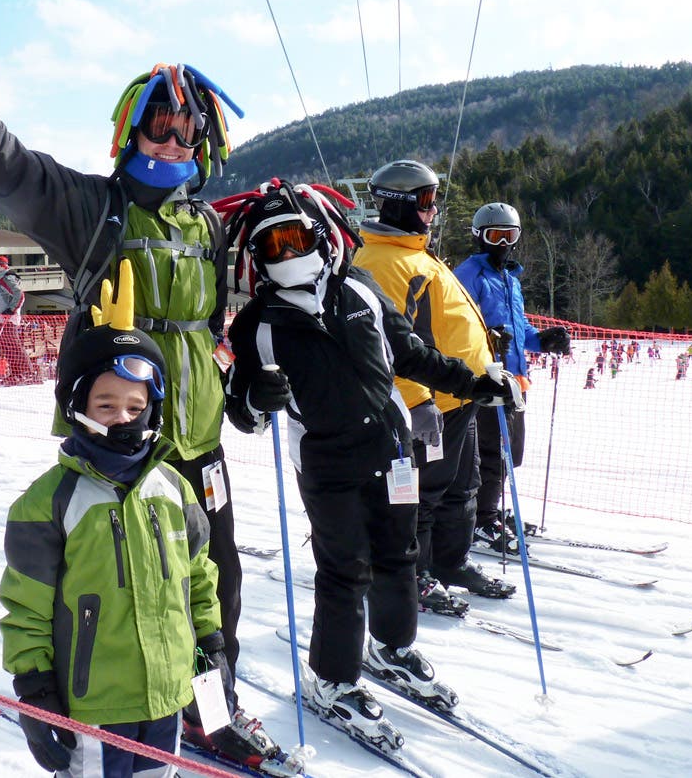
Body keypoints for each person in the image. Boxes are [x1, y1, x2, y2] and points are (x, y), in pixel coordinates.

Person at [0, 0, 273, 760]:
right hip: (118, 446)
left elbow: (216, 332)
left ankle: (205, 706)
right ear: (131, 130)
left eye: (187, 126)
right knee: (108, 591)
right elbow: (6, 169)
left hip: (197, 447)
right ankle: (84, 704)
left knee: (214, 585)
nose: (173, 136)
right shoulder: (91, 209)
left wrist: (249, 386)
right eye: (158, 123)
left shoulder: (210, 229)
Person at [216, 180, 512, 743]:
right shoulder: (258, 324)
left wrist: (474, 383)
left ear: (319, 234)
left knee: (400, 555)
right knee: (345, 568)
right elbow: (242, 413)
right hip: (327, 464)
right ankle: (332, 678)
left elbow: (411, 354)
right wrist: (258, 400)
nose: (286, 253)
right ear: (256, 256)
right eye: (270, 244)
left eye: (294, 237)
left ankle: (393, 647)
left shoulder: (359, 287)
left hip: (393, 448)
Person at [0, 263, 229, 778]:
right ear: (77, 406)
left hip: (167, 696)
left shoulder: (174, 488)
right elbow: (25, 606)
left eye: (135, 405)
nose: (123, 417)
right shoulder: (50, 503)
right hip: (94, 704)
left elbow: (198, 577)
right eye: (106, 405)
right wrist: (35, 686)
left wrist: (211, 645)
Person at [351, 160, 516, 613]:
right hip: (428, 405)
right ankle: (416, 573)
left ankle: (450, 561)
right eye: (426, 200)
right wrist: (417, 402)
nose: (434, 209)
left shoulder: (415, 253)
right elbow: (390, 343)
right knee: (421, 496)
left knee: (462, 486)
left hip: (459, 396)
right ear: (401, 204)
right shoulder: (382, 262)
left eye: (433, 199)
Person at [453, 202, 571, 555]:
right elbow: (459, 327)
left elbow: (516, 329)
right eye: (495, 235)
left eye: (510, 235)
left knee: (510, 454)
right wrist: (489, 341)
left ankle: (487, 506)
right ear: (479, 237)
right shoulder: (468, 276)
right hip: (487, 376)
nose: (503, 243)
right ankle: (481, 517)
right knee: (491, 451)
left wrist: (541, 339)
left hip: (516, 378)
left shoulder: (509, 279)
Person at [0, 254, 37, 386]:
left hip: (7, 319)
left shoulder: (6, 277)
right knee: (6, 347)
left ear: (3, 266)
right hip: (1, 319)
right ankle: (16, 373)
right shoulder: (1, 279)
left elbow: (19, 294)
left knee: (13, 346)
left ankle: (26, 372)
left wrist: (10, 310)